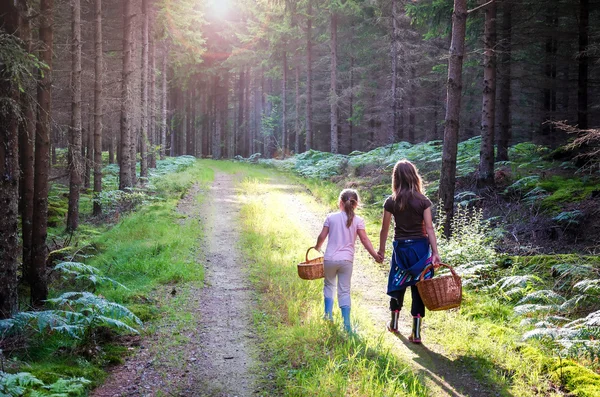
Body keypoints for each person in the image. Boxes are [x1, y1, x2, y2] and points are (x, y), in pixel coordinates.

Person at [378, 160, 441, 343]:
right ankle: (417, 333)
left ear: (396, 178)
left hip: (401, 250)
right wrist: (435, 252)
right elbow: (429, 228)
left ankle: (394, 323)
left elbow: (384, 229)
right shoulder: (423, 201)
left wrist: (381, 251)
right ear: (414, 176)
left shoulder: (391, 201)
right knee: (419, 286)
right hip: (421, 249)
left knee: (397, 283)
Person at [315, 189, 382, 332]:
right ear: (355, 205)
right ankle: (346, 325)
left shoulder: (331, 217)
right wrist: (375, 255)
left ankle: (328, 315)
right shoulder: (358, 221)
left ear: (340, 202)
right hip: (346, 261)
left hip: (330, 259)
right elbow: (364, 240)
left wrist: (317, 247)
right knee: (344, 291)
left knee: (329, 285)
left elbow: (322, 236)